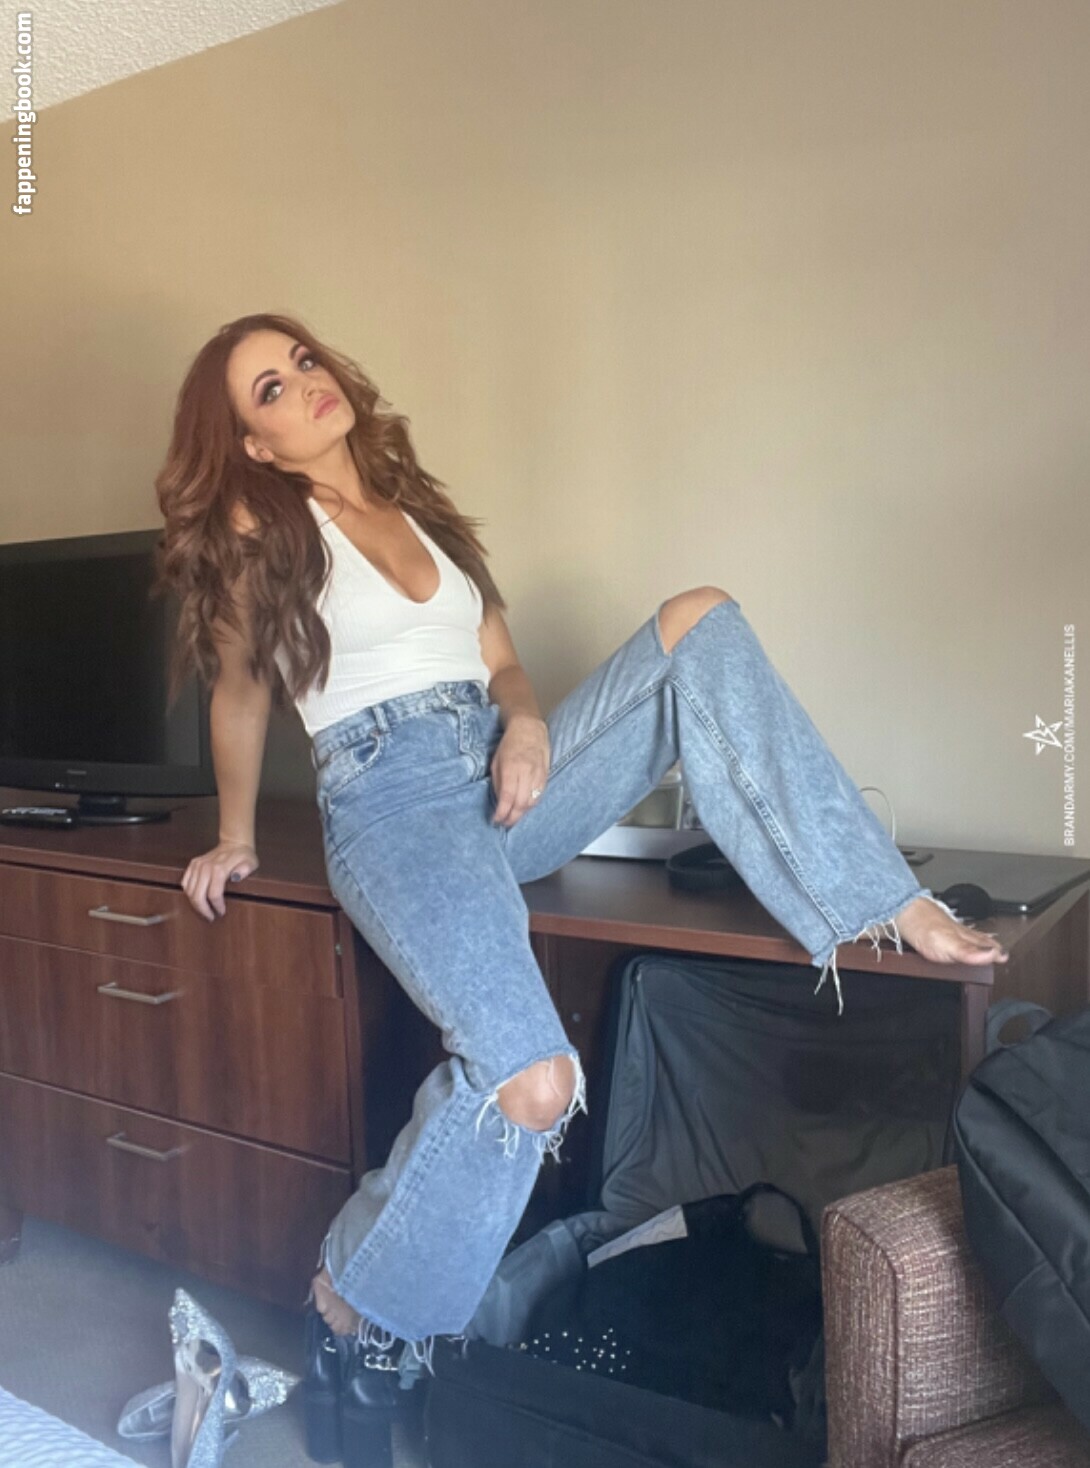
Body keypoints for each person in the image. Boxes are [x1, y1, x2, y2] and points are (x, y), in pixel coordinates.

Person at [156, 311, 1007, 1365]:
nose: (303, 380)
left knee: (698, 615)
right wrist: (234, 834)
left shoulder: (418, 511)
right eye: (270, 390)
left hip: (502, 776)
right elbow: (240, 692)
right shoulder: (265, 532)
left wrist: (523, 727)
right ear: (253, 444)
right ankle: (354, 1287)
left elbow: (504, 665)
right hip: (393, 804)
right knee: (533, 1083)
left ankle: (880, 897)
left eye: (301, 359)